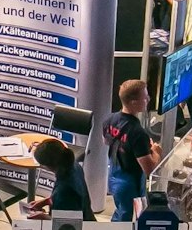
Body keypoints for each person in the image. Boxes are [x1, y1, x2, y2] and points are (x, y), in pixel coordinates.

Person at [103, 80, 161, 221]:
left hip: (114, 174)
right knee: (124, 220)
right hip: (130, 182)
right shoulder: (137, 132)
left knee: (121, 211)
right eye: (145, 97)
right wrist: (156, 151)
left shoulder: (109, 119)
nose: (148, 99)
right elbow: (150, 169)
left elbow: (106, 142)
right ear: (134, 102)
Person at [23, 137, 93, 220]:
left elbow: (64, 224)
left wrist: (43, 217)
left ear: (47, 166)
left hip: (79, 228)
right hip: (87, 216)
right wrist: (46, 201)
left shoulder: (63, 189)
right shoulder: (74, 165)